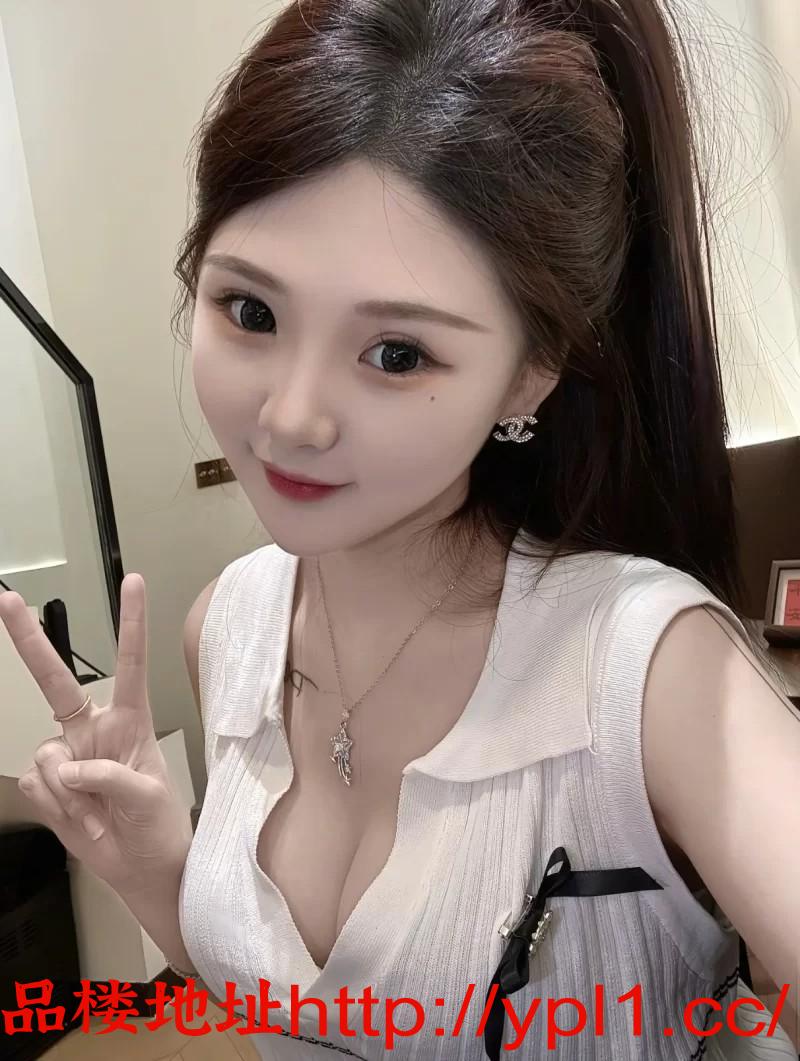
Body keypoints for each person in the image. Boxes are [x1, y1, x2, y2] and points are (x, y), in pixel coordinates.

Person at [1, 0, 798, 1058]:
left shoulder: (649, 669)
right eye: (250, 311)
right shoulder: (225, 627)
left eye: (396, 354)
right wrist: (158, 867)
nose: (290, 416)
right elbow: (309, 1018)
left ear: (528, 374)